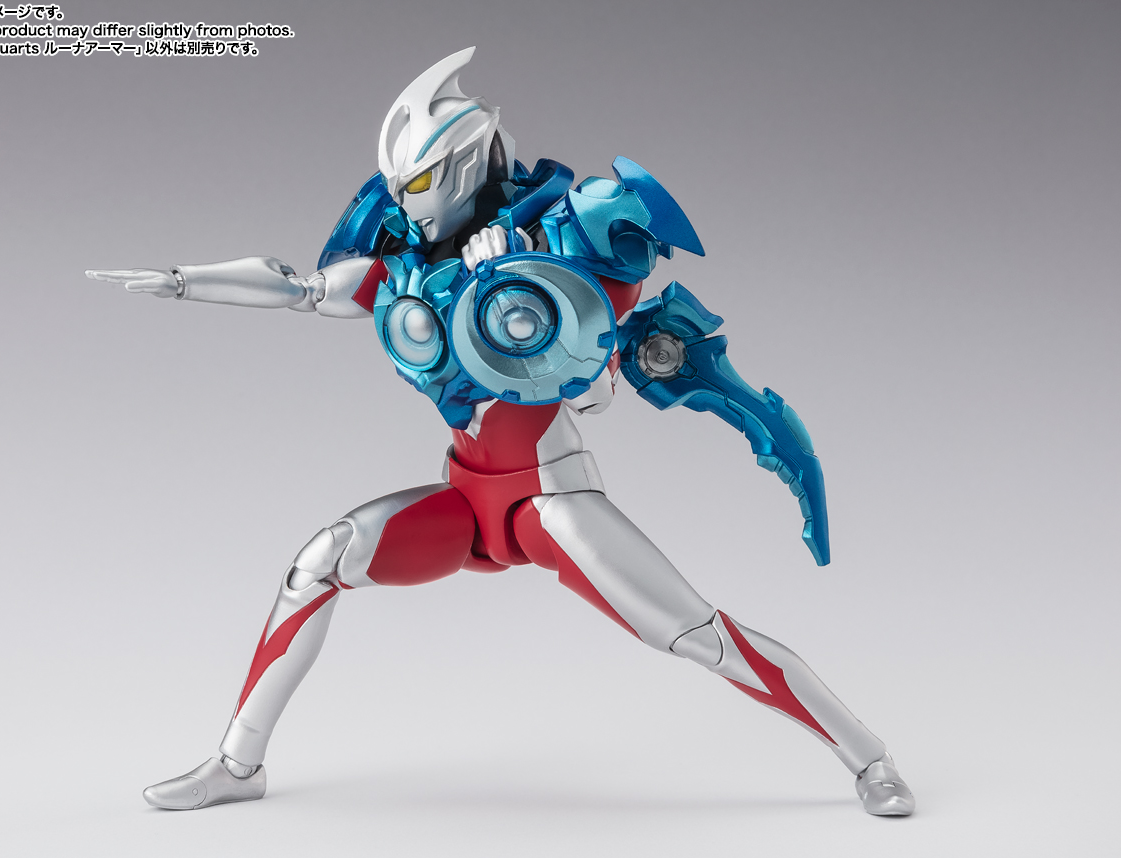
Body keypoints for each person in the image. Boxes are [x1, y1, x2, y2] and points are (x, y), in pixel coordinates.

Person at [87, 47, 914, 817]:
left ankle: (869, 758)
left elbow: (597, 389)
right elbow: (302, 289)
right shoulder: (405, 266)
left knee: (700, 636)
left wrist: (525, 276)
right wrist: (183, 281)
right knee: (320, 562)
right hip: (467, 503)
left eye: (418, 183)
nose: (406, 202)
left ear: (458, 166)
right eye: (400, 186)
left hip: (552, 504)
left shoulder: (559, 243)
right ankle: (238, 766)